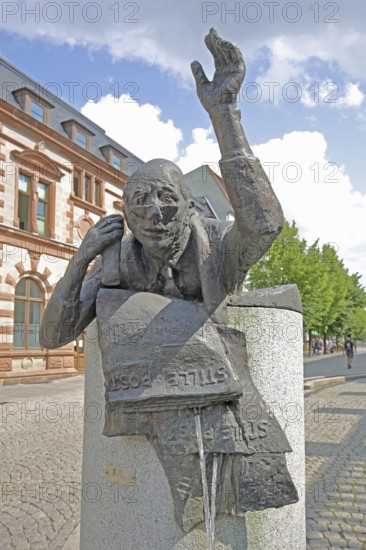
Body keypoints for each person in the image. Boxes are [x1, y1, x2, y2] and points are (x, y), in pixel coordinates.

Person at [40, 29, 297, 529]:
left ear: (187, 205)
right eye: (141, 202)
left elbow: (265, 225)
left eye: (167, 199)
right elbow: (53, 336)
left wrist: (225, 114)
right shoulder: (115, 260)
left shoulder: (216, 245)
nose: (155, 213)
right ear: (125, 215)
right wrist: (79, 262)